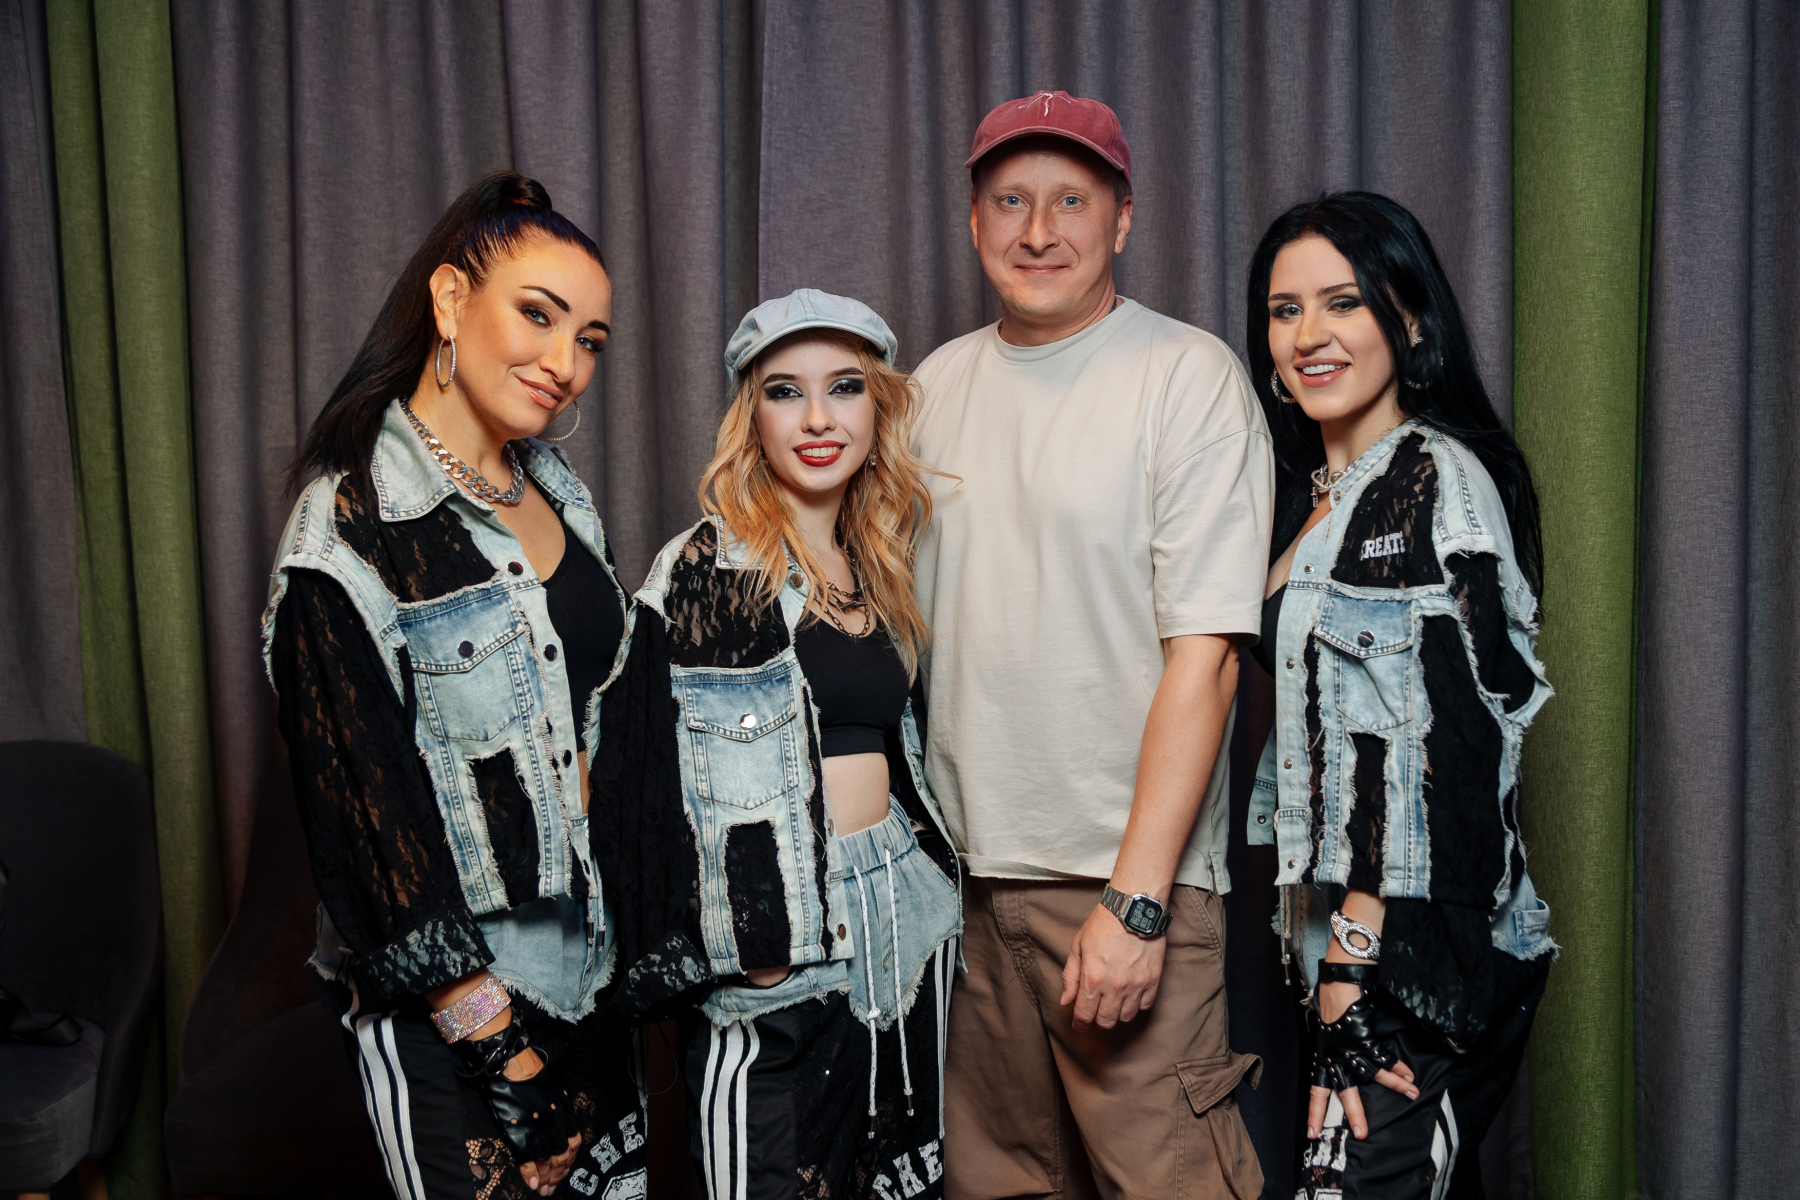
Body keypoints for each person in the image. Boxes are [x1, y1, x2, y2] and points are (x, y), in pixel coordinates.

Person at [910, 91, 1272, 1198]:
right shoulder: (927, 389)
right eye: (1009, 201)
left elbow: (1209, 658)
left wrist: (1138, 902)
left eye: (1071, 201)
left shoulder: (1185, 375)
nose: (1038, 230)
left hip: (1117, 886)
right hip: (964, 891)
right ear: (973, 221)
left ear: (1122, 220)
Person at [265, 171, 647, 1200]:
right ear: (448, 301)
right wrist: (503, 1055)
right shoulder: (347, 530)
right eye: (539, 316)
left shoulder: (558, 492)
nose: (565, 365)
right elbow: (369, 829)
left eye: (591, 341)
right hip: (460, 1014)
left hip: (593, 981)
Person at [588, 289, 961, 1200]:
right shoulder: (707, 569)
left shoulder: (881, 562)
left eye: (845, 387)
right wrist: (752, 949)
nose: (819, 418)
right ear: (750, 418)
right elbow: (631, 781)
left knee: (899, 1182)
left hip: (903, 919)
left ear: (878, 407)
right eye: (785, 392)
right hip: (778, 944)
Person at [1242, 191, 1556, 1196]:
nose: (1309, 334)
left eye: (1343, 302)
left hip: (1412, 960)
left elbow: (1437, 753)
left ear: (1409, 321)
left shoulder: (1432, 485)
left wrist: (1351, 966)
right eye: (1285, 310)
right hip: (1340, 950)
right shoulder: (1314, 497)